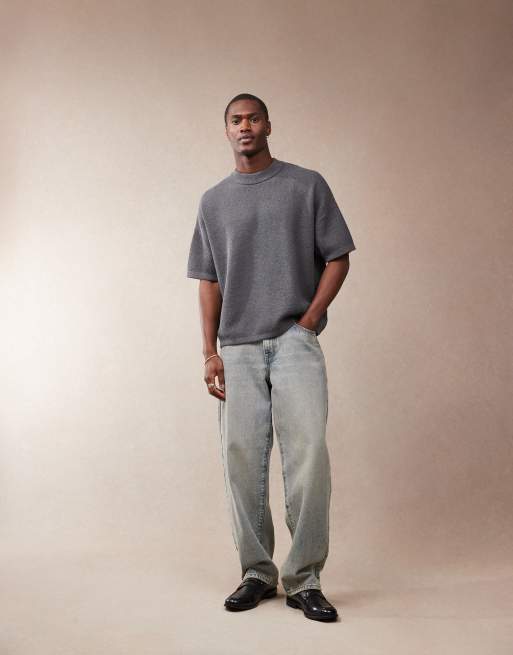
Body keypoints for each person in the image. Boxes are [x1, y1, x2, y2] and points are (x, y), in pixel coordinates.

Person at [186, 93, 356, 622]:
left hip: (293, 343)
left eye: (253, 118)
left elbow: (338, 256)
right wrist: (209, 352)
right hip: (236, 348)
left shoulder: (305, 185)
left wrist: (307, 322)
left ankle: (304, 578)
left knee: (309, 457)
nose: (245, 126)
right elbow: (209, 281)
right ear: (226, 130)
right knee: (241, 460)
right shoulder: (213, 201)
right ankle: (257, 572)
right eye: (236, 120)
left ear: (267, 126)